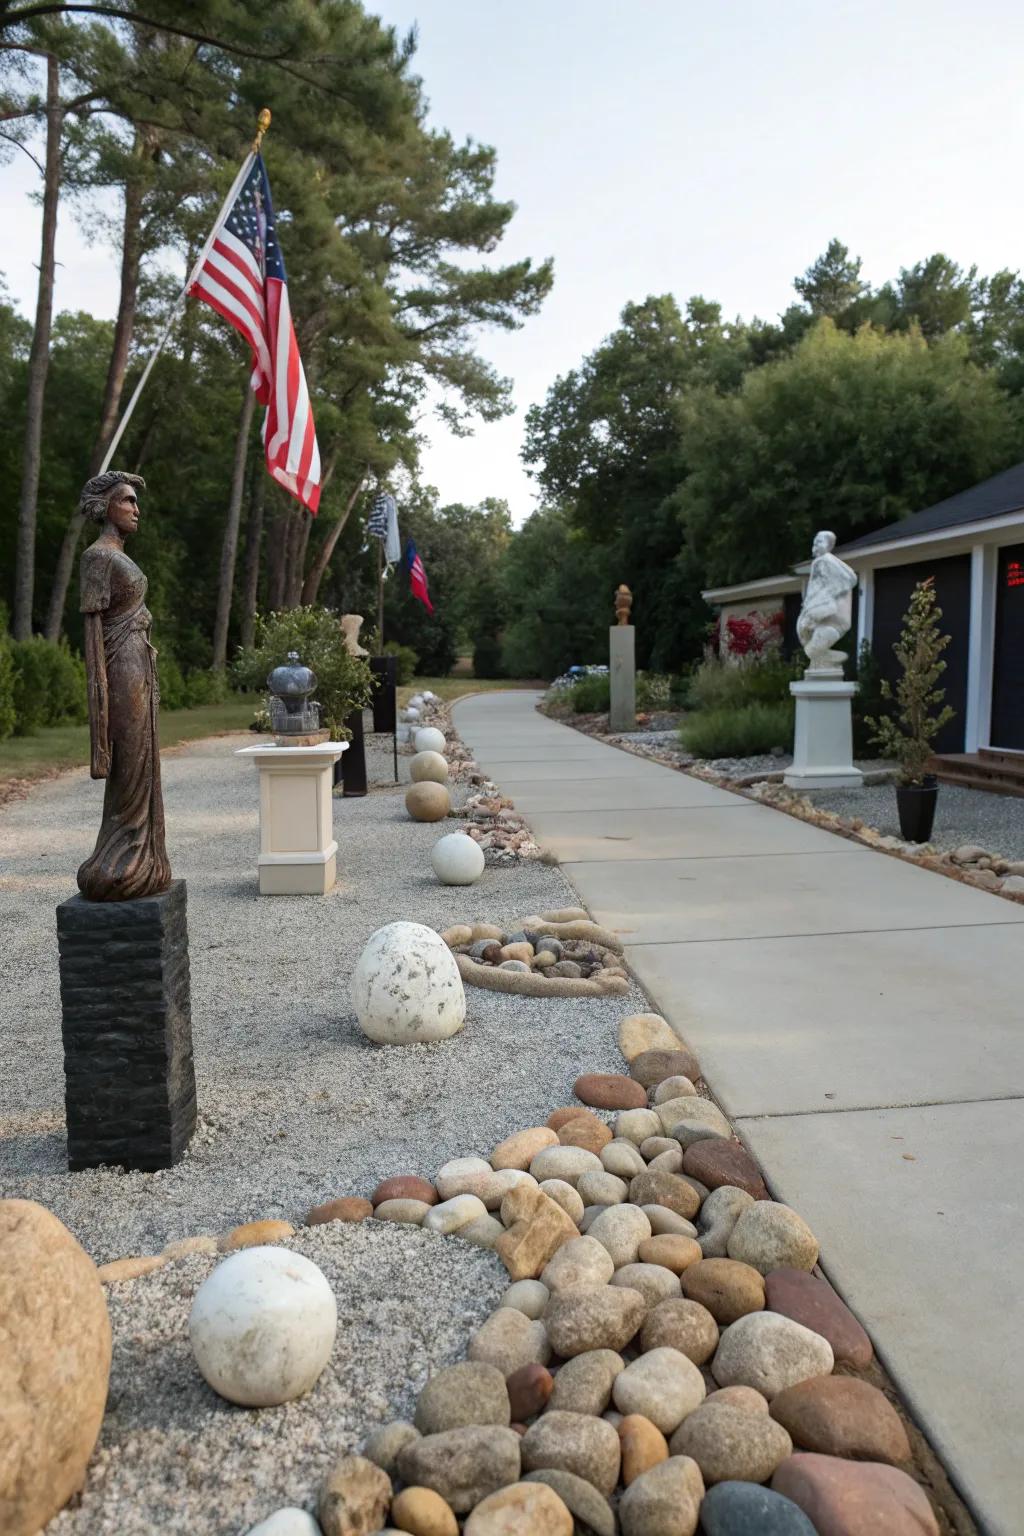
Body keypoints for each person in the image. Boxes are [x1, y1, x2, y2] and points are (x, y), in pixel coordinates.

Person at [77, 470, 172, 901]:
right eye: (127, 500)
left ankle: (147, 857)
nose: (136, 509)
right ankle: (119, 858)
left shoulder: (116, 555)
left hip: (139, 662)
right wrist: (98, 695)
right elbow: (93, 633)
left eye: (135, 501)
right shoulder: (97, 557)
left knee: (144, 758)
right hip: (121, 669)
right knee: (129, 761)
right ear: (106, 507)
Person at [797, 529, 858, 668]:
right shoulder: (822, 561)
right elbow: (814, 587)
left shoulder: (824, 561)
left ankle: (821, 658)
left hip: (826, 615)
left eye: (819, 541)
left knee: (811, 649)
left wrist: (823, 599)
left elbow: (849, 579)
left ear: (829, 545)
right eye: (815, 542)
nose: (815, 545)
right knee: (811, 648)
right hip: (820, 614)